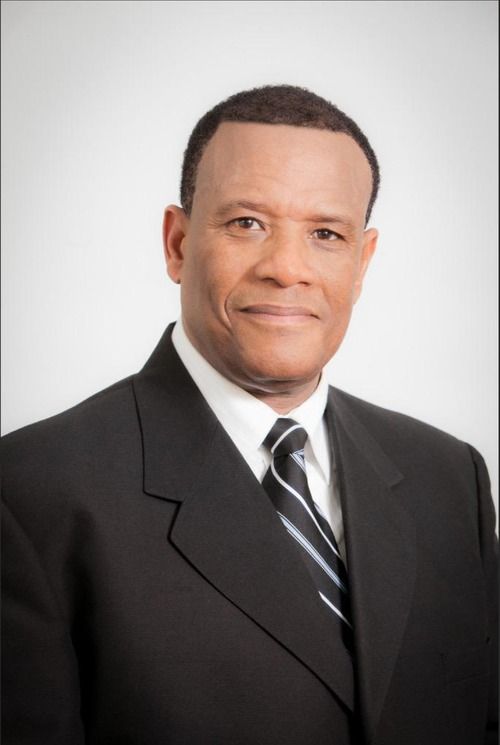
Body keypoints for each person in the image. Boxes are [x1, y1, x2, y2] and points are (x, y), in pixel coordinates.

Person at [1, 85, 497, 745]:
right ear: (178, 244)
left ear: (361, 263)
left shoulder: (450, 478)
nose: (287, 269)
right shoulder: (29, 493)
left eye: (326, 233)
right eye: (246, 223)